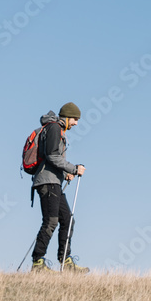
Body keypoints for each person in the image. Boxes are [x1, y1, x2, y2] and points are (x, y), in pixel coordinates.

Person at [31, 102, 89, 273]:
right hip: (47, 182)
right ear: (67, 116)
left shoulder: (57, 129)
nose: (76, 123)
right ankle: (37, 263)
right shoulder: (55, 128)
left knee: (68, 220)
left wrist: (65, 174)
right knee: (51, 221)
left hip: (54, 181)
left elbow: (52, 158)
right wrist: (73, 168)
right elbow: (51, 156)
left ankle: (66, 261)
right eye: (75, 119)